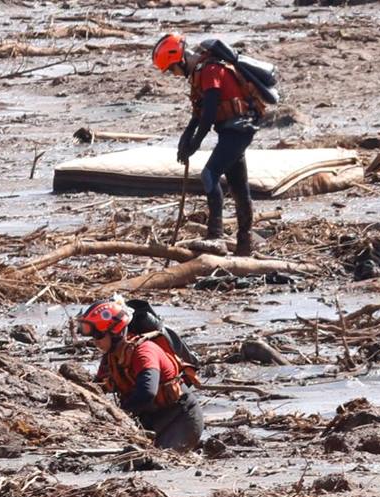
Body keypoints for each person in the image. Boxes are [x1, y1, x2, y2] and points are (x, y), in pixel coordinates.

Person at [152, 33, 260, 256]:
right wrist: (186, 139)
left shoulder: (210, 71)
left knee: (209, 175)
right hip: (232, 132)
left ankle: (216, 236)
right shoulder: (200, 72)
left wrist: (195, 144)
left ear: (180, 59)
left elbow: (210, 113)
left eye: (172, 69)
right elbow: (199, 112)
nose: (174, 75)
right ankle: (244, 245)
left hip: (238, 130)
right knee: (238, 185)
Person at [77, 295, 203, 453]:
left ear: (115, 332)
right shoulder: (111, 357)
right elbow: (98, 388)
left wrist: (119, 415)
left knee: (156, 462)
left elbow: (147, 392)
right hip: (150, 420)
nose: (95, 342)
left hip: (180, 419)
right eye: (92, 337)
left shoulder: (144, 351)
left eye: (99, 336)